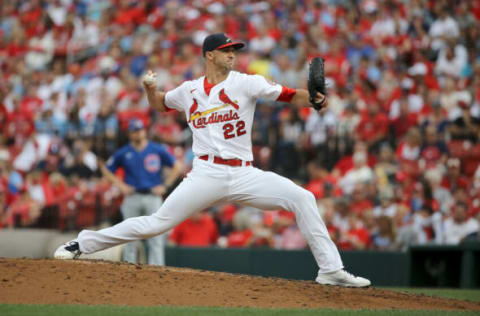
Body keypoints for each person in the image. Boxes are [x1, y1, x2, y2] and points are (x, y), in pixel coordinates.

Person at [55, 33, 371, 287]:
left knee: (303, 197)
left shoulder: (246, 82)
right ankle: (82, 244)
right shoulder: (189, 90)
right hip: (205, 173)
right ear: (209, 55)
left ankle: (330, 270)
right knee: (156, 224)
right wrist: (150, 89)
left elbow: (290, 95)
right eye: (225, 50)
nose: (232, 54)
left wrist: (314, 100)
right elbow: (160, 105)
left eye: (234, 50)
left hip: (245, 174)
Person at [100, 119, 184, 265]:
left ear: (144, 131)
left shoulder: (156, 149)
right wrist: (121, 186)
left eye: (140, 130)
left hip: (152, 195)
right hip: (133, 196)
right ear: (130, 134)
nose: (138, 133)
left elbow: (177, 166)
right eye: (134, 131)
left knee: (156, 236)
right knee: (129, 236)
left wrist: (165, 185)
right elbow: (106, 169)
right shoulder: (124, 152)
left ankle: (157, 271)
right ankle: (128, 268)